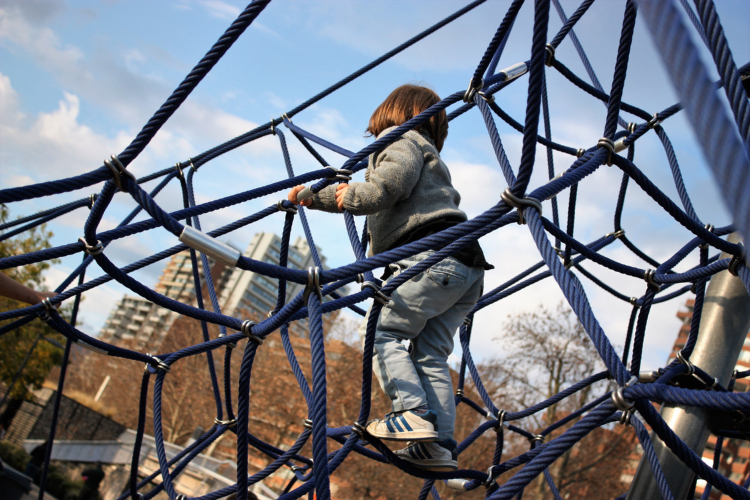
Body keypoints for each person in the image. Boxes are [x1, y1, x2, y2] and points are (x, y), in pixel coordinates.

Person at [288, 84, 492, 471]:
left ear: (394, 111)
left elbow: (381, 190)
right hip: (466, 268)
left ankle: (411, 412)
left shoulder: (400, 138)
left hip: (429, 258)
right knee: (431, 354)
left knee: (381, 334)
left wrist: (318, 196)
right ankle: (438, 446)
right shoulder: (429, 149)